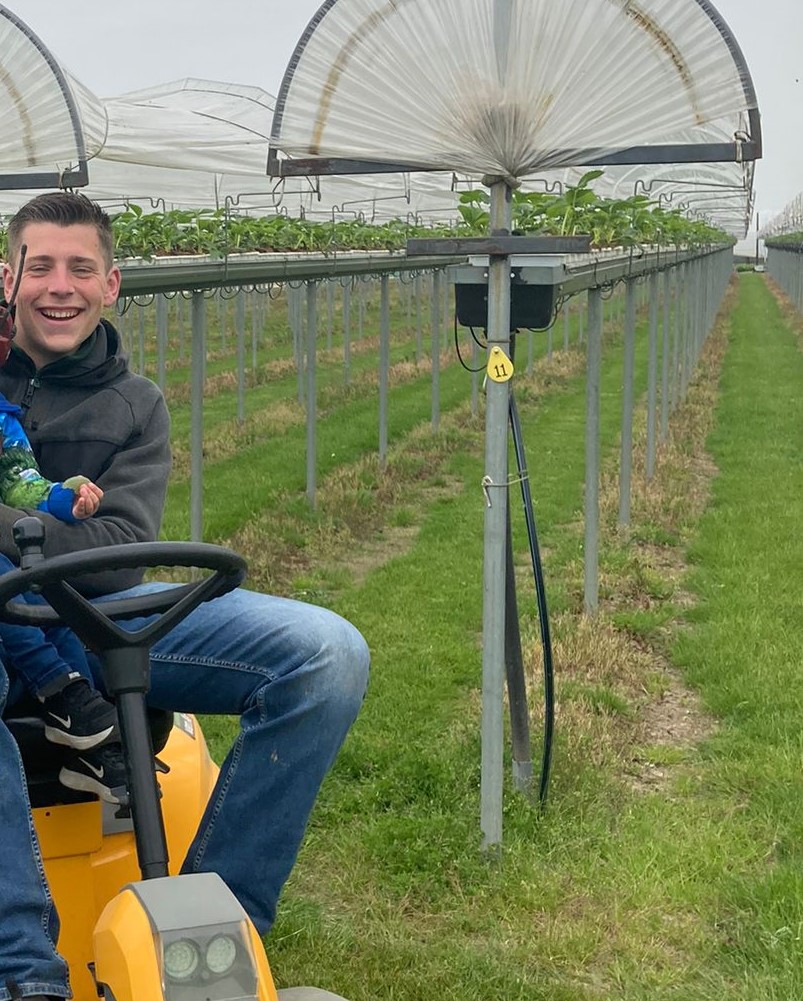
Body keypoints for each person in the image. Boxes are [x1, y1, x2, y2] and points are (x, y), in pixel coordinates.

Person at [0, 191, 370, 1001]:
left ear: (110, 284)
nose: (59, 286)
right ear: (8, 278)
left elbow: (111, 558)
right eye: (41, 266)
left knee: (326, 656)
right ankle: (23, 970)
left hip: (102, 620)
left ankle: (209, 935)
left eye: (80, 268)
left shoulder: (135, 405)